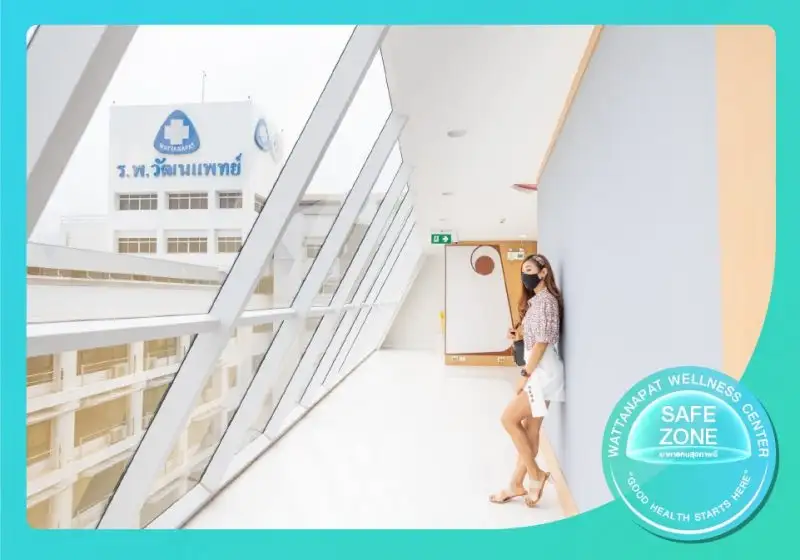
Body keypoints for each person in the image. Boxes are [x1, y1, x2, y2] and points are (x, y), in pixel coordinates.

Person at [489, 253, 565, 507]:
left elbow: (542, 343)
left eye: (530, 269)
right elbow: (535, 338)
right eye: (523, 271)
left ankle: (535, 475)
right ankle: (516, 484)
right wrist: (518, 335)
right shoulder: (537, 301)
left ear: (543, 272)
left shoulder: (546, 302)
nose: (525, 275)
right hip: (541, 370)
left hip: (543, 374)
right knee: (531, 429)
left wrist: (525, 375)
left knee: (508, 419)